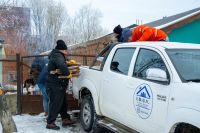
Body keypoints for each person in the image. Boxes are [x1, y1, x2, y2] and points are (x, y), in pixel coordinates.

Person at [45, 40, 74, 130]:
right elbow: (61, 64)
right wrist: (67, 73)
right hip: (54, 84)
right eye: (65, 51)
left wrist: (70, 62)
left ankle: (65, 119)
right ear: (61, 50)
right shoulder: (57, 55)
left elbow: (64, 62)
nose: (66, 52)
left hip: (59, 84)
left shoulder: (58, 55)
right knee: (55, 103)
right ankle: (50, 123)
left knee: (62, 102)